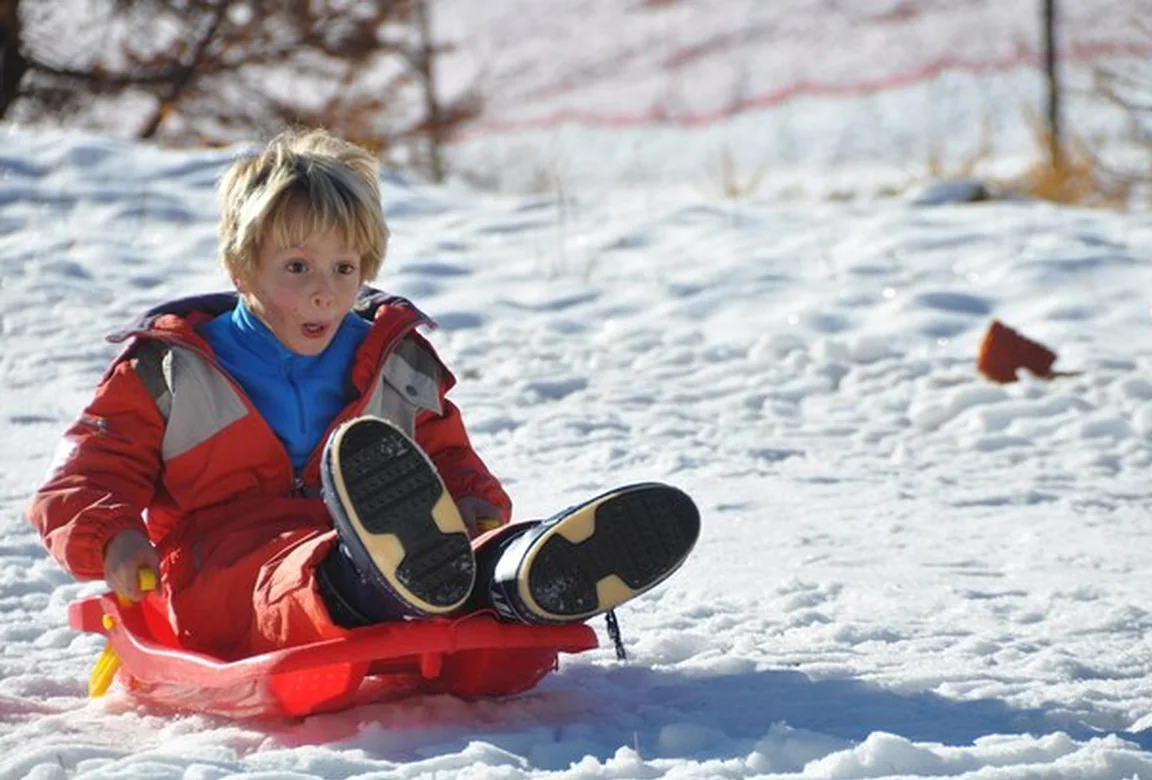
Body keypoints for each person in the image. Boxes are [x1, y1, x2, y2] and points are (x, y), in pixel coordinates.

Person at [26, 128, 700, 664]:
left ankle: (515, 571)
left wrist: (474, 506)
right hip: (223, 564)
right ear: (240, 267)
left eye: (344, 268)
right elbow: (85, 474)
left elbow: (448, 456)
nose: (325, 290)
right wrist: (112, 536)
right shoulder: (169, 368)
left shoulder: (394, 363)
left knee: (462, 602)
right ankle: (367, 580)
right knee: (284, 580)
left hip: (376, 531)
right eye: (297, 268)